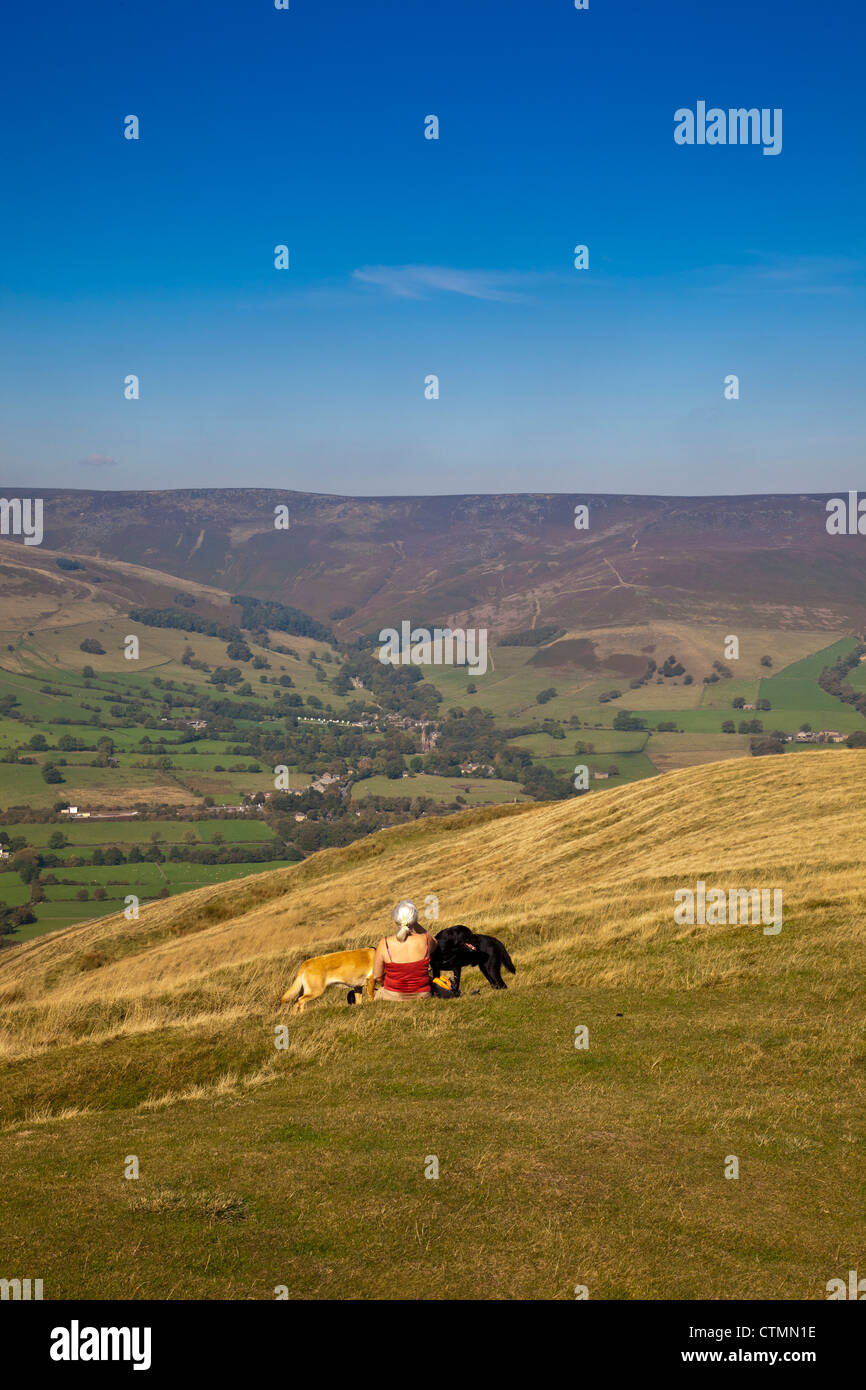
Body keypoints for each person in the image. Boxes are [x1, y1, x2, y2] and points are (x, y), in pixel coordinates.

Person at [373, 900, 436, 1000]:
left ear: (395, 918)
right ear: (414, 920)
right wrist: (415, 924)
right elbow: (434, 942)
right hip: (422, 995)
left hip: (392, 995)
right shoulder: (425, 940)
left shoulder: (384, 943)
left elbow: (377, 976)